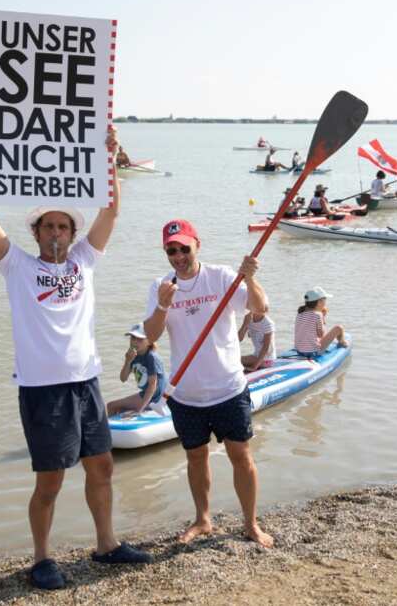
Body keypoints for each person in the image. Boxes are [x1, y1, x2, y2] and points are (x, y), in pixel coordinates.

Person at [0, 128, 149, 591]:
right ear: (36, 232)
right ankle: (42, 558)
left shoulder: (85, 260)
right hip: (42, 389)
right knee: (49, 481)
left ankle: (106, 546)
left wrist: (110, 158)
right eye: (47, 226)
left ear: (72, 234)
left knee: (101, 467)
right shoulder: (17, 266)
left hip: (86, 382)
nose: (55, 233)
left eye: (62, 227)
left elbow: (112, 210)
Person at [143, 219, 274, 548]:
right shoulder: (161, 286)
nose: (178, 256)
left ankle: (250, 523)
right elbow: (150, 336)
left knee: (241, 456)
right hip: (185, 394)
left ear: (196, 245)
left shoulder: (221, 277)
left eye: (184, 248)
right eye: (171, 250)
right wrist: (162, 304)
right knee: (195, 458)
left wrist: (250, 278)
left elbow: (260, 308)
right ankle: (203, 519)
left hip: (228, 388)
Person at [105, 323, 168, 417]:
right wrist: (128, 361)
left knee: (111, 406)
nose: (135, 342)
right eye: (133, 338)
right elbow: (123, 379)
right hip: (145, 394)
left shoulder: (151, 357)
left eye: (140, 339)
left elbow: (152, 386)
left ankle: (111, 430)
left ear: (150, 341)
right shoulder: (134, 355)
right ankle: (116, 429)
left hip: (155, 398)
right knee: (116, 408)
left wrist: (139, 410)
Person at [293, 287, 348, 356]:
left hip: (299, 351)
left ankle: (340, 341)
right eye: (325, 299)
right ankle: (342, 342)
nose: (325, 302)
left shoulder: (300, 313)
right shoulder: (318, 315)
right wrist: (323, 319)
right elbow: (321, 335)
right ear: (319, 302)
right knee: (339, 328)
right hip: (313, 352)